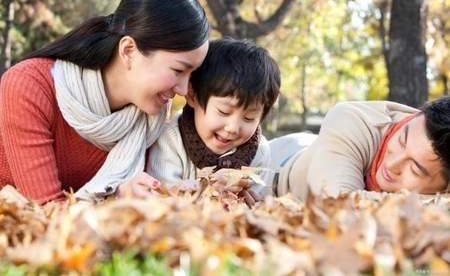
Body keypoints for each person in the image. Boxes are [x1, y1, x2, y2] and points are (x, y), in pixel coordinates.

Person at [0, 0, 209, 204]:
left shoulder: (150, 119)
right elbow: (45, 210)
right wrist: (114, 202)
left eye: (191, 75)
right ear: (129, 51)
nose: (183, 90)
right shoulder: (30, 86)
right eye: (178, 71)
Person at [147, 38, 281, 204]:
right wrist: (207, 188)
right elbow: (161, 195)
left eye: (249, 118)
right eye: (223, 112)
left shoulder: (259, 151)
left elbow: (260, 202)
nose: (232, 128)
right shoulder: (170, 138)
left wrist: (248, 204)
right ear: (192, 95)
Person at [272, 98, 450, 200]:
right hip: (277, 165)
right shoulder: (348, 118)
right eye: (402, 140)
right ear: (415, 116)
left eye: (415, 169)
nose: (392, 164)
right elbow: (341, 205)